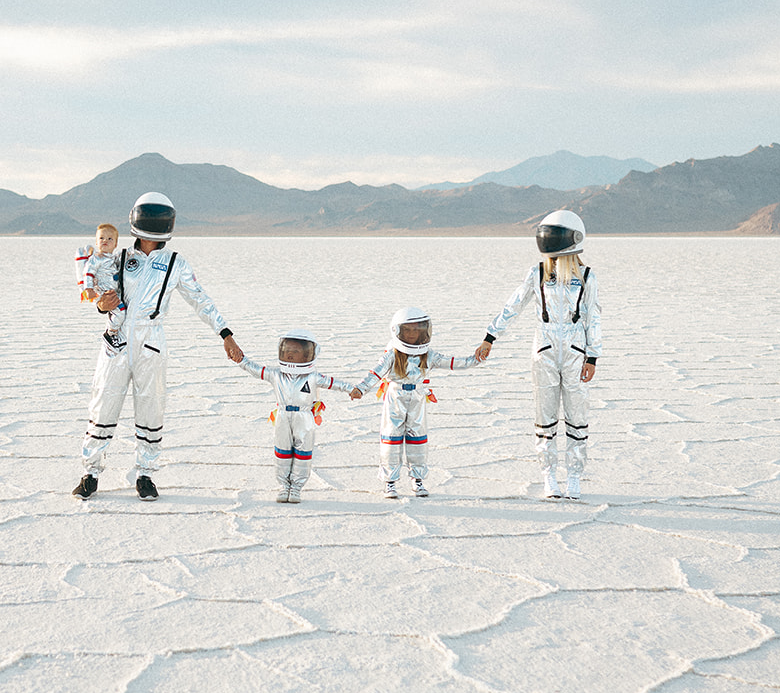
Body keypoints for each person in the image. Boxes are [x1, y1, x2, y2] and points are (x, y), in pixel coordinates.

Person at [74, 192, 243, 502]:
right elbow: (98, 289)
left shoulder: (175, 263)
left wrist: (225, 333)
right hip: (117, 339)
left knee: (151, 408)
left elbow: (200, 300)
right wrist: (101, 305)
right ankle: (91, 473)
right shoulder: (119, 257)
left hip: (152, 342)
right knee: (103, 404)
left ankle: (146, 474)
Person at [474, 210, 601, 499]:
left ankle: (574, 477)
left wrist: (592, 356)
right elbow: (513, 306)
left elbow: (593, 318)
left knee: (576, 415)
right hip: (543, 351)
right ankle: (548, 476)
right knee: (544, 416)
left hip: (574, 351)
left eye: (556, 237)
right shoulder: (538, 273)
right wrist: (490, 336)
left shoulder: (586, 277)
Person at [350, 306, 481, 499]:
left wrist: (476, 359)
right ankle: (390, 482)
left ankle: (417, 480)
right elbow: (375, 372)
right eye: (408, 330)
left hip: (418, 397)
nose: (412, 334)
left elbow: (454, 362)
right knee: (391, 439)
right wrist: (360, 388)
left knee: (418, 440)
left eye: (417, 330)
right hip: (395, 397)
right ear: (397, 331)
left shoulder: (428, 355)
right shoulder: (392, 354)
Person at [235, 328, 355, 503]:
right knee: (282, 451)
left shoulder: (312, 377)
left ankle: (296, 487)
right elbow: (254, 369)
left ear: (308, 354)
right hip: (283, 416)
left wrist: (353, 389)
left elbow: (334, 383)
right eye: (287, 351)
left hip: (304, 417)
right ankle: (284, 486)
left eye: (296, 351)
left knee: (302, 452)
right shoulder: (276, 374)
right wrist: (240, 360)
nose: (290, 355)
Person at [75, 223, 120, 303]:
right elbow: (88, 273)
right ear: (96, 242)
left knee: (122, 311)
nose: (105, 240)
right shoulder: (96, 258)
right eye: (101, 238)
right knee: (120, 312)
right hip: (101, 292)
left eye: (110, 239)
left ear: (115, 244)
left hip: (113, 293)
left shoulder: (115, 258)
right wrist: (89, 289)